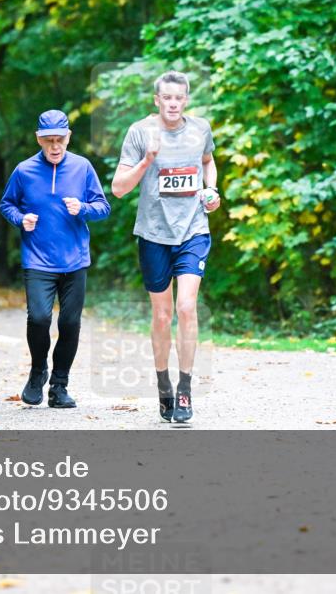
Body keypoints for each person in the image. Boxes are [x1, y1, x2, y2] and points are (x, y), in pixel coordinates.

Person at [111, 71, 221, 423]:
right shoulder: (140, 132)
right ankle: (164, 387)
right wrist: (147, 160)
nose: (173, 103)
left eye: (179, 97)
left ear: (186, 99)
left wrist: (212, 190)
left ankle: (186, 392)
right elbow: (118, 188)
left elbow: (207, 161)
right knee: (162, 315)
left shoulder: (200, 129)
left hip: (193, 230)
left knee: (186, 307)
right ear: (156, 100)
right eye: (167, 98)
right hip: (154, 234)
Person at [0, 110, 111, 409]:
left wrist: (84, 208)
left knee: (70, 322)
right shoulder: (23, 171)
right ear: (38, 139)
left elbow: (103, 206)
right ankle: (38, 372)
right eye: (48, 140)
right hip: (37, 259)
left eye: (60, 140)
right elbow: (6, 204)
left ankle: (59, 387)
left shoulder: (82, 167)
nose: (55, 146)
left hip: (74, 259)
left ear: (68, 137)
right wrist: (20, 218)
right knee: (38, 317)